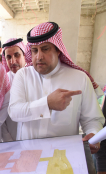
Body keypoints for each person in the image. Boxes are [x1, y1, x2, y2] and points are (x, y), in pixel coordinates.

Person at [8, 22, 104, 154]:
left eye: (45, 49)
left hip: (64, 159)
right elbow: (14, 111)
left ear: (58, 49)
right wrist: (47, 104)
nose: (39, 56)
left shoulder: (80, 78)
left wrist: (93, 134)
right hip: (27, 158)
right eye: (35, 50)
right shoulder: (23, 76)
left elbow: (92, 119)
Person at [1, 38, 26, 141]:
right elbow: (0, 116)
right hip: (11, 138)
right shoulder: (2, 81)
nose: (13, 61)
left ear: (24, 55)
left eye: (17, 55)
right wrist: (8, 140)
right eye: (8, 57)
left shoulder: (35, 77)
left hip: (33, 138)